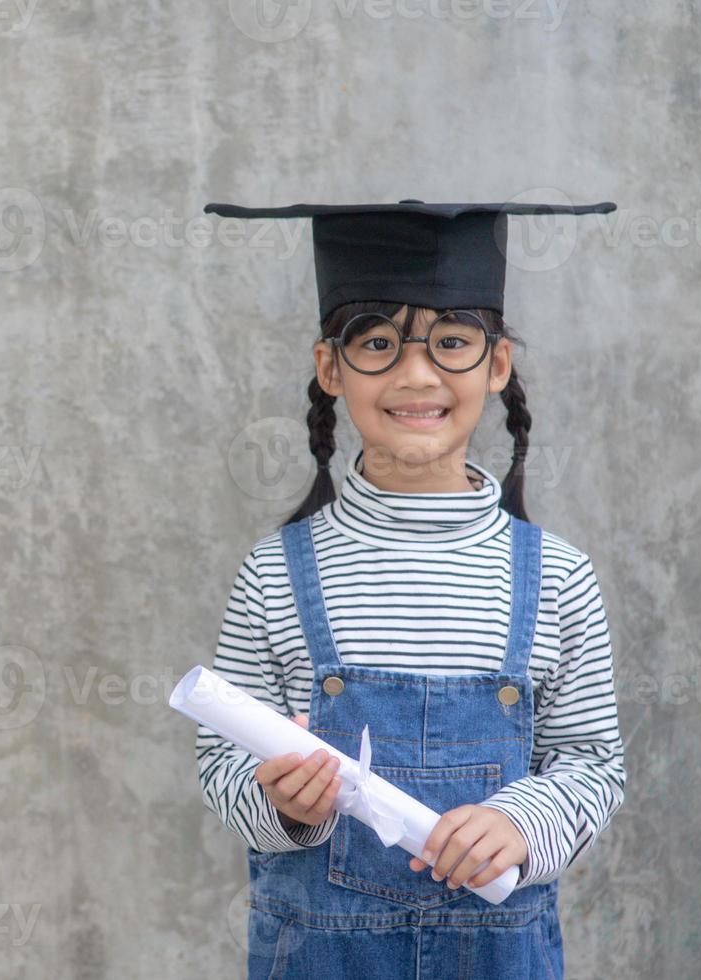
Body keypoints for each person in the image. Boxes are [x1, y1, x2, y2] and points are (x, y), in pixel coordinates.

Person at [194, 199, 627, 978]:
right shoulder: (274, 573)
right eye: (379, 344)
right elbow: (223, 763)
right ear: (331, 369)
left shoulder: (559, 576)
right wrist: (284, 807)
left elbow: (591, 763)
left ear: (497, 365)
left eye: (452, 342)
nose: (417, 374)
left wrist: (521, 822)